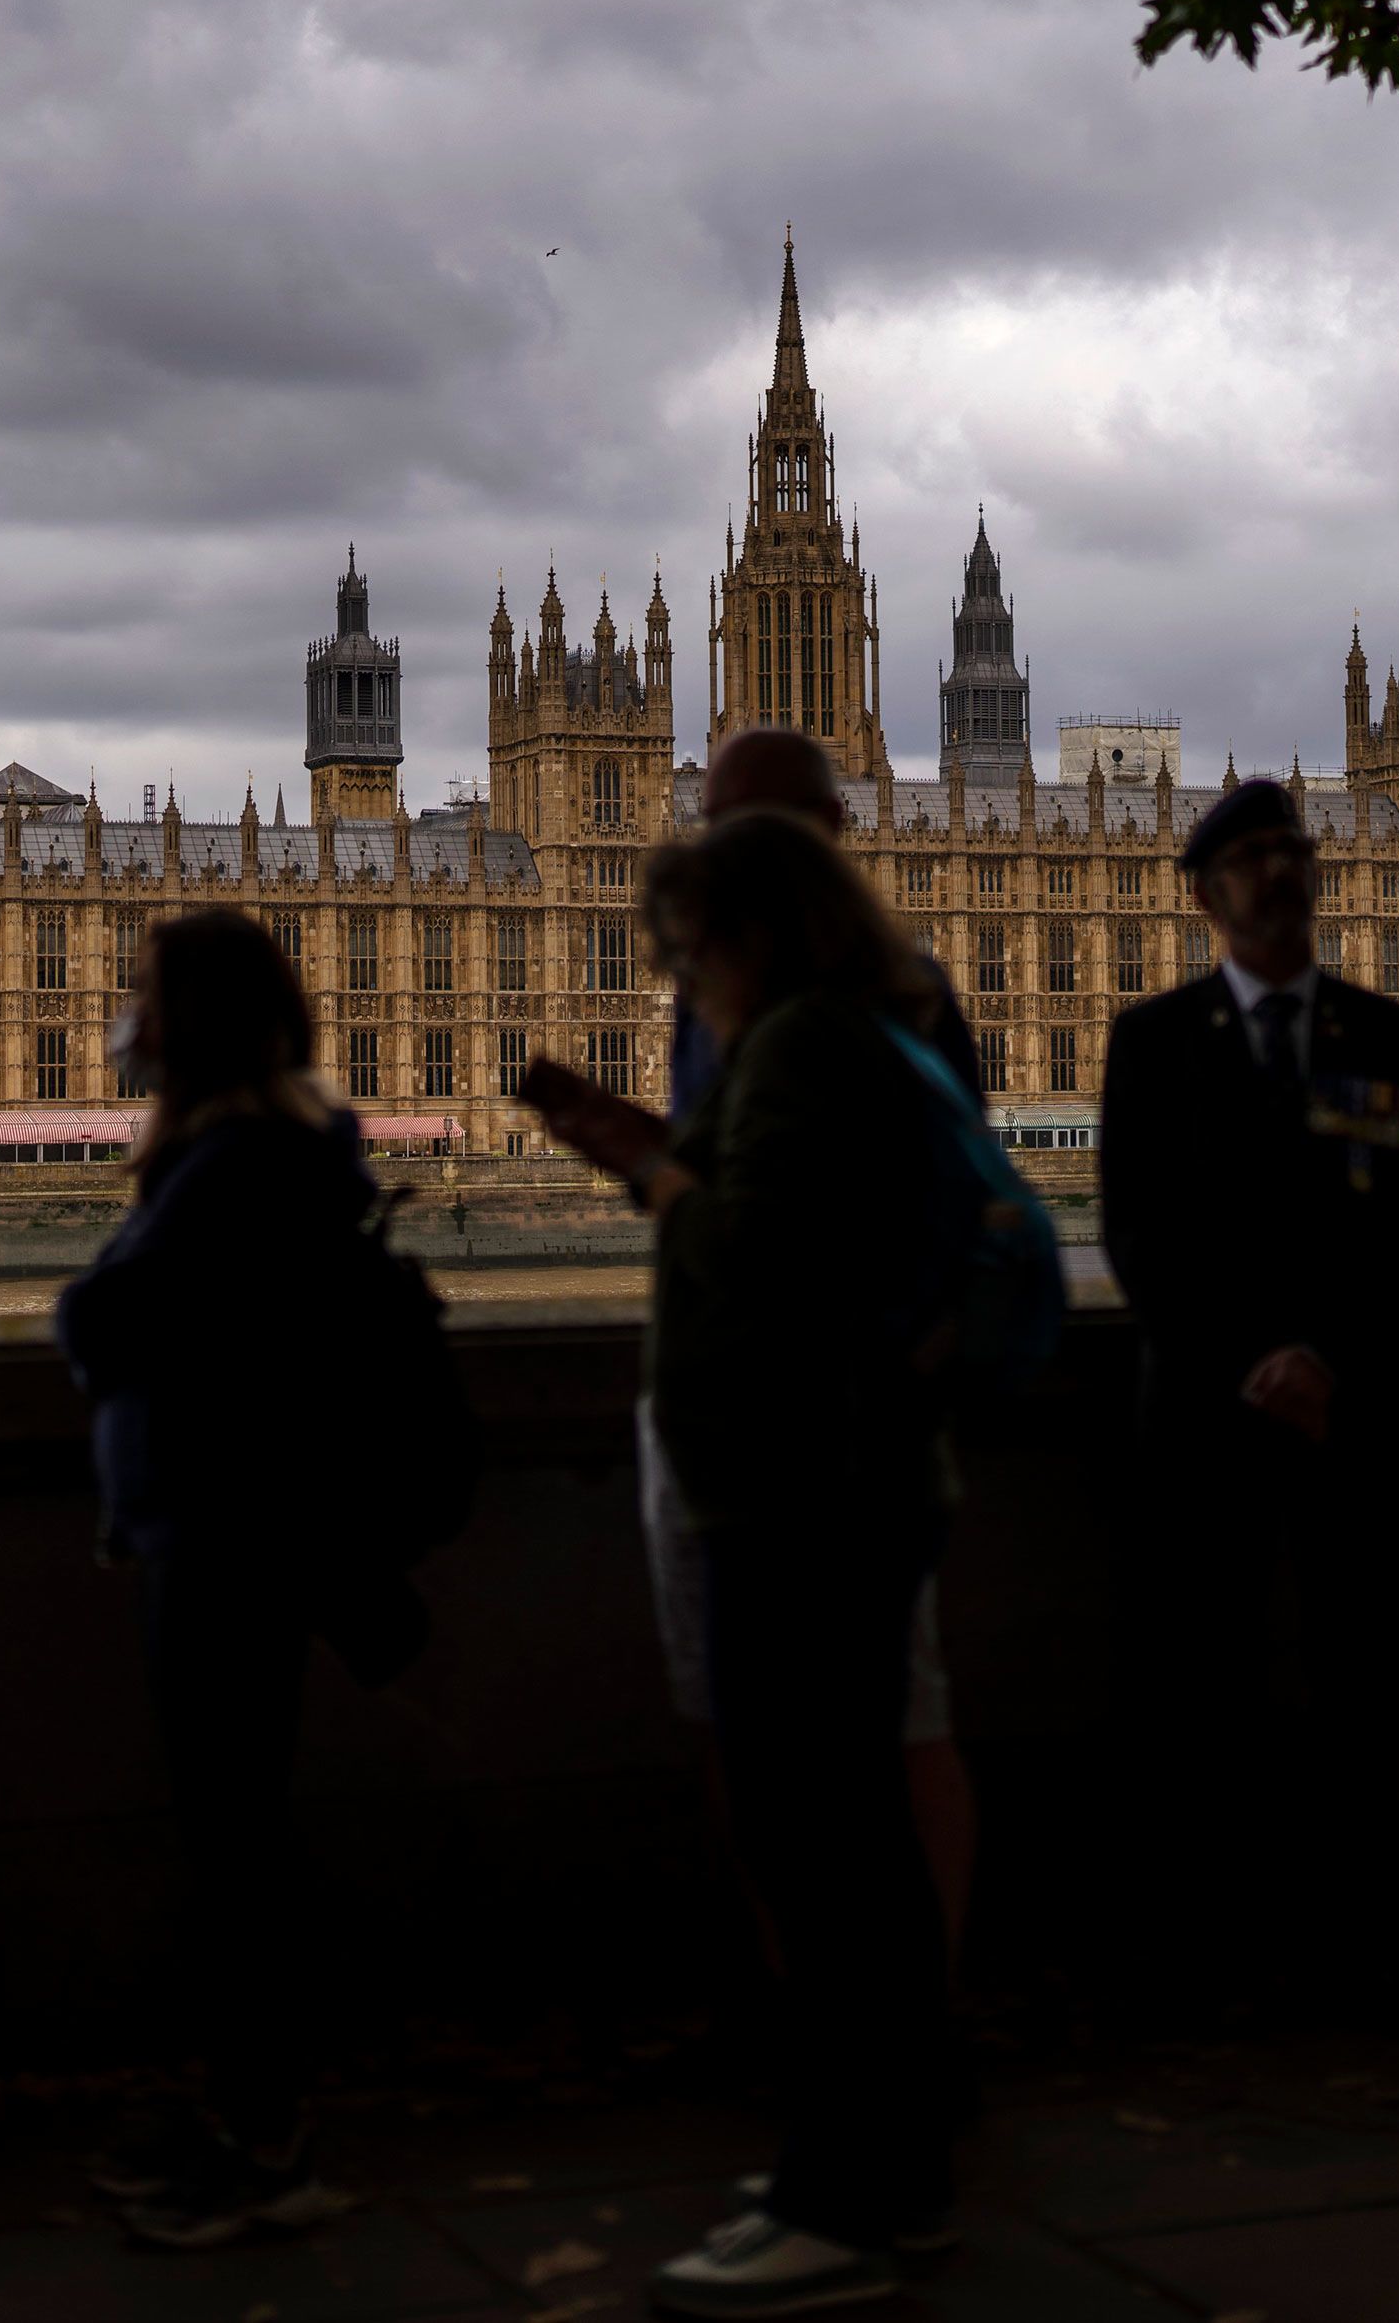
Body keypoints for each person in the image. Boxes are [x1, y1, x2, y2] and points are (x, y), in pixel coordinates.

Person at [537, 812, 961, 2314]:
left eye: (685, 948)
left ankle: (831, 2196)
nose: (674, 977)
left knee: (818, 1848)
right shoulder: (872, 1031)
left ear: (750, 937)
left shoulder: (794, 1052)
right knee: (866, 1850)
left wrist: (642, 1165)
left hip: (800, 1496)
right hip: (857, 1481)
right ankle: (906, 2168)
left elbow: (756, 1261)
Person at [579, 726, 981, 1991]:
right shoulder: (731, 996)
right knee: (748, 1740)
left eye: (754, 832)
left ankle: (889, 2042)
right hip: (739, 1434)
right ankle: (820, 2025)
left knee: (862, 1756)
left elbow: (787, 1236)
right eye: (712, 829)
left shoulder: (874, 1010)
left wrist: (646, 1170)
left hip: (821, 1441)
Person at [1096, 777, 1399, 2028]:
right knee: (1208, 1691)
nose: (1277, 873)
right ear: (1202, 893)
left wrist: (1326, 1361)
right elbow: (1137, 1235)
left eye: (1290, 851)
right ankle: (1216, 1947)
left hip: (1351, 1413)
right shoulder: (1150, 1042)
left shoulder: (1397, 1038)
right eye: (1249, 857)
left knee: (1360, 1686)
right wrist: (1251, 1357)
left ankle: (1361, 1941)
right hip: (1206, 1418)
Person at [51, 911, 381, 2249]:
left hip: (227, 1543)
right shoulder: (285, 1144)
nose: (124, 1013)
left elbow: (101, 1322)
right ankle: (252, 2114)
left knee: (239, 1847)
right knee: (241, 1837)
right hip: (227, 1532)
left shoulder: (235, 1161)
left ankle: (266, 2134)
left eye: (142, 993)